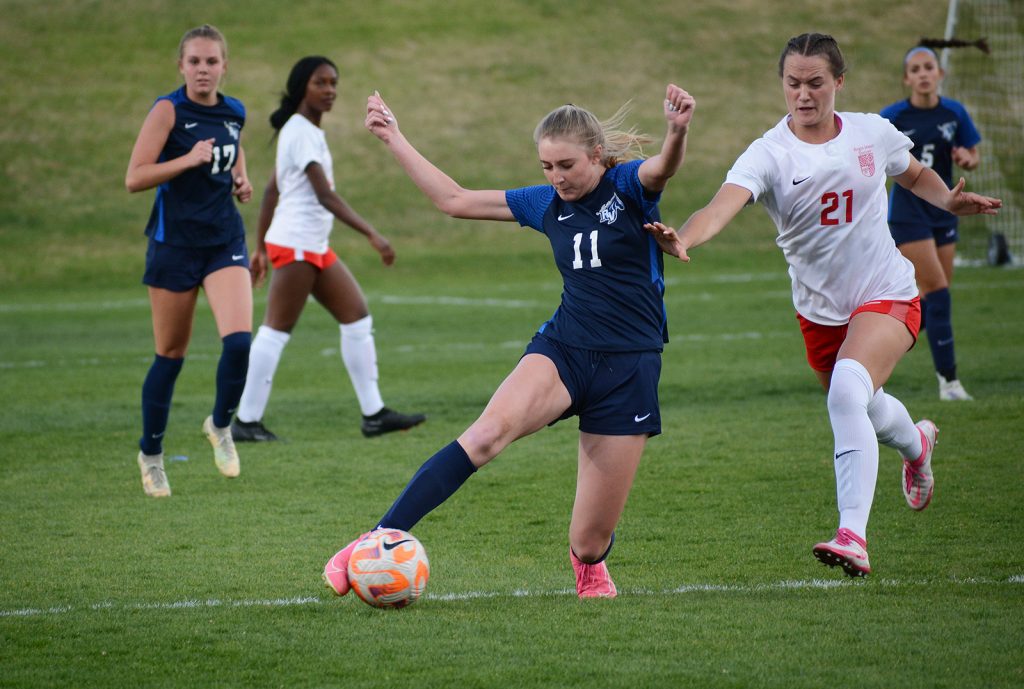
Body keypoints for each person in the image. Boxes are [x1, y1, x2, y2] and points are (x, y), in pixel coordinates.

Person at [645, 33, 1000, 577]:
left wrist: (947, 200)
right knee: (864, 403)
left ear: (838, 82)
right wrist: (685, 237)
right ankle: (917, 444)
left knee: (846, 392)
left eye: (815, 82)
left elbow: (912, 173)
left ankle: (852, 535)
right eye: (793, 83)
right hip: (819, 312)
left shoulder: (871, 132)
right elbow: (720, 207)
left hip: (887, 292)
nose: (804, 94)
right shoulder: (769, 153)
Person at [322, 84, 696, 598]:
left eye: (566, 165)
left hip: (630, 368)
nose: (556, 177)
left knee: (589, 541)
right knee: (484, 435)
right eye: (547, 166)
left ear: (596, 155)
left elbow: (662, 169)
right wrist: (393, 137)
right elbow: (454, 200)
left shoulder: (628, 186)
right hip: (564, 350)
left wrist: (676, 131)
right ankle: (372, 540)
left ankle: (589, 565)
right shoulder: (545, 202)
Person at [231, 56, 425, 442]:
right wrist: (373, 234)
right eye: (320, 82)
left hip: (310, 244)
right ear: (301, 87)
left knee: (356, 317)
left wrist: (260, 248)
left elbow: (271, 189)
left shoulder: (302, 130)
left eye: (334, 82)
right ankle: (246, 422)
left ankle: (374, 414)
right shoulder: (301, 131)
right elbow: (324, 195)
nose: (330, 90)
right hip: (296, 244)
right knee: (276, 330)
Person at [125, 24, 254, 497]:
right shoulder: (168, 110)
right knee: (171, 356)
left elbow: (233, 149)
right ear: (181, 66)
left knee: (239, 343)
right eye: (195, 61)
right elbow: (135, 177)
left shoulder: (234, 111)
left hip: (223, 240)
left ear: (224, 66)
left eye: (211, 61)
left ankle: (220, 425)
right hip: (174, 246)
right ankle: (151, 455)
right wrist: (188, 159)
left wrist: (241, 178)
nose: (203, 69)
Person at [881, 39, 988, 401]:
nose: (923, 75)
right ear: (906, 79)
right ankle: (950, 383)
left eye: (929, 68)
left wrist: (968, 160)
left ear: (940, 74)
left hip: (944, 211)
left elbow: (972, 154)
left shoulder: (954, 112)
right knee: (939, 293)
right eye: (915, 70)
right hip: (908, 213)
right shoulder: (892, 117)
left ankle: (872, 349)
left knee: (931, 300)